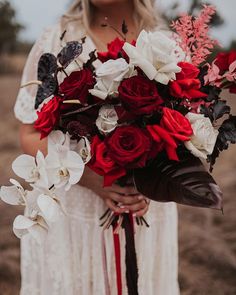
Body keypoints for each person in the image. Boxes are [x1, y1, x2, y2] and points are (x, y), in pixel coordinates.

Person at [14, 0, 179, 294]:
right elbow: (29, 132)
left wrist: (151, 181)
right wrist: (89, 178)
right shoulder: (57, 41)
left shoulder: (167, 44)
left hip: (144, 209)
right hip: (73, 210)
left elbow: (185, 132)